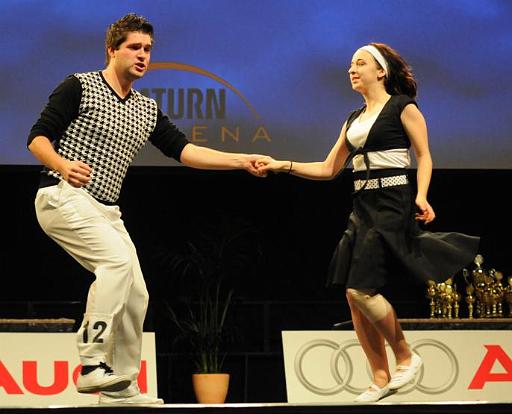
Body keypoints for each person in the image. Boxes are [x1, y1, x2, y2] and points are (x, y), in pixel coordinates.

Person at [27, 13, 265, 405]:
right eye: (134, 47)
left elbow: (185, 151)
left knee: (136, 293)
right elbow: (37, 138)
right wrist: (62, 165)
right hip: (61, 195)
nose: (143, 55)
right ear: (112, 50)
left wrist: (241, 160)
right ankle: (91, 361)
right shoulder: (80, 86)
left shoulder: (145, 108)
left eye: (148, 49)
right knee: (116, 264)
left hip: (105, 210)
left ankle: (120, 387)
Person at [257, 43, 479, 402]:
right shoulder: (353, 119)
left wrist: (422, 195)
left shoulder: (402, 107)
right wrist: (282, 165)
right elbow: (328, 169)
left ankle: (406, 356)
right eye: (350, 64)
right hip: (362, 205)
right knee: (352, 294)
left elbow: (424, 156)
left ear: (381, 72)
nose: (352, 69)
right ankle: (379, 378)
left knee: (361, 290)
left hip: (392, 201)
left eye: (360, 63)